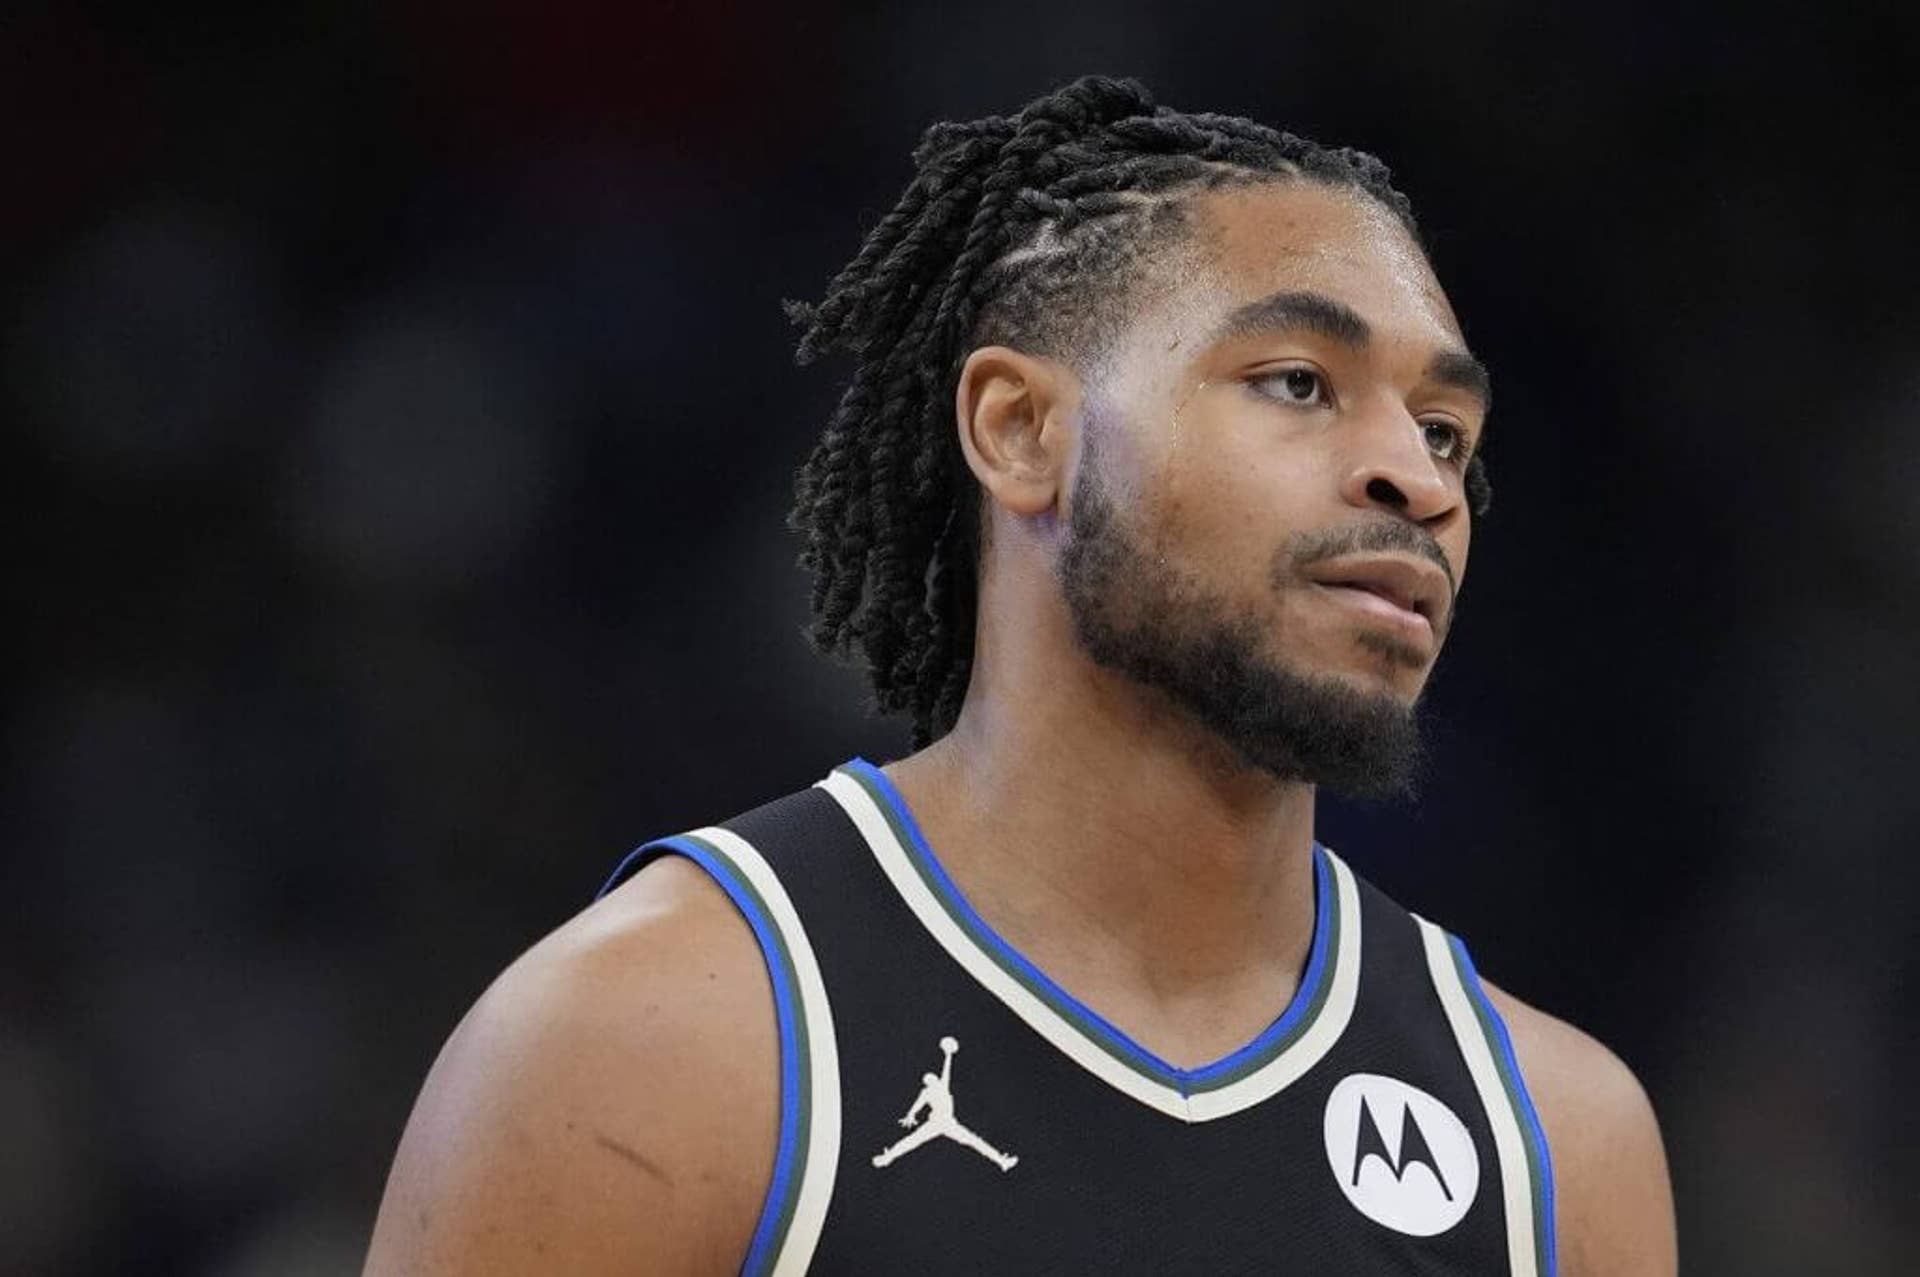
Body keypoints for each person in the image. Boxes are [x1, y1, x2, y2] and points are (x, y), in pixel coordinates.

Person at [363, 75, 1676, 1276]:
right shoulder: (654, 1044)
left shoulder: (1556, 1146)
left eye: (1447, 428)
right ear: (1021, 430)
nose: (1419, 476)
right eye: (1297, 381)